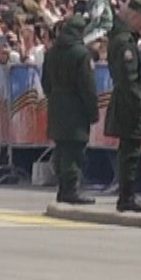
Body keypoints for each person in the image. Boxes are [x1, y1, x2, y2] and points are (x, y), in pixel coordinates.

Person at [104, 0, 141, 214]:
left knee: (128, 150)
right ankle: (127, 196)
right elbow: (129, 78)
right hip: (129, 103)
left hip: (124, 100)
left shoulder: (120, 38)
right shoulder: (125, 42)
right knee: (130, 152)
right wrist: (139, 103)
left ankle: (127, 195)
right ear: (135, 17)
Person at [44, 12, 99, 205]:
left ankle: (63, 187)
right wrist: (93, 111)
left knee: (61, 147)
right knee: (74, 150)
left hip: (57, 104)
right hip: (75, 107)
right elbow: (87, 86)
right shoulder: (81, 54)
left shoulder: (51, 52)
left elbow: (45, 82)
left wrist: (54, 96)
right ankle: (70, 189)